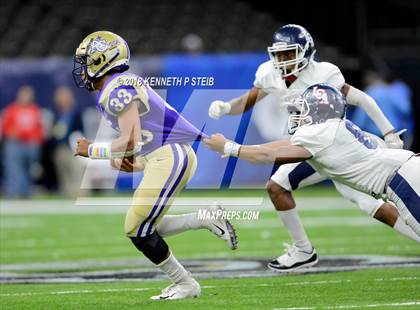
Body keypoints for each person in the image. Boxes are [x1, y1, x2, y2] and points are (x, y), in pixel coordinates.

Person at [208, 24, 419, 271]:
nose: (284, 60)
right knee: (277, 186)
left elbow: (360, 98)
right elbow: (245, 104)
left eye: (289, 53)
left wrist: (389, 131)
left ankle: (305, 251)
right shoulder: (269, 73)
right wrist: (225, 107)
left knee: (371, 204)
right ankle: (303, 250)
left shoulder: (325, 73)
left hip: (330, 147)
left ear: (306, 51)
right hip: (312, 144)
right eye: (279, 54)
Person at [72, 31, 237, 300]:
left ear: (102, 61)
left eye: (86, 61)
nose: (82, 70)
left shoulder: (115, 89)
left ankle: (185, 284)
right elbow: (145, 139)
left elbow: (131, 139)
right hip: (166, 155)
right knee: (144, 225)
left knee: (137, 228)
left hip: (170, 156)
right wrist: (127, 162)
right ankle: (205, 218)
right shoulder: (120, 84)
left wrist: (91, 150)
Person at [204, 83, 420, 242]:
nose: (299, 115)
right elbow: (282, 145)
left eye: (304, 109)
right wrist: (233, 146)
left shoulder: (318, 133)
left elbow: (269, 157)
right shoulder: (331, 128)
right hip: (407, 167)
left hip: (400, 178)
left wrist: (230, 148)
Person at [1, 86, 44, 198]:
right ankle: (14, 193)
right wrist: (13, 134)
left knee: (29, 170)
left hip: (31, 145)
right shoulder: (12, 109)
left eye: (28, 95)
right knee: (14, 169)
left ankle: (26, 193)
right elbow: (6, 128)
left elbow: (39, 128)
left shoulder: (35, 109)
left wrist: (37, 141)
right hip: (15, 144)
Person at [51, 86, 85, 198]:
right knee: (63, 172)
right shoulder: (57, 113)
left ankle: (78, 193)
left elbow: (80, 130)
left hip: (73, 147)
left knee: (76, 171)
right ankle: (67, 194)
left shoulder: (75, 112)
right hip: (60, 147)